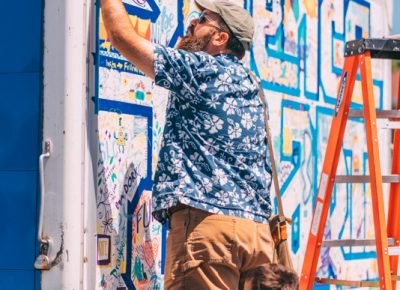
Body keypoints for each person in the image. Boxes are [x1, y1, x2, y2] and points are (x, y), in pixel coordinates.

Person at [101, 0, 274, 288]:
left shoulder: (204, 70)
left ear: (221, 38)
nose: (191, 23)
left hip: (211, 232)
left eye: (202, 18)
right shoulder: (252, 84)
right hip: (256, 236)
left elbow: (122, 37)